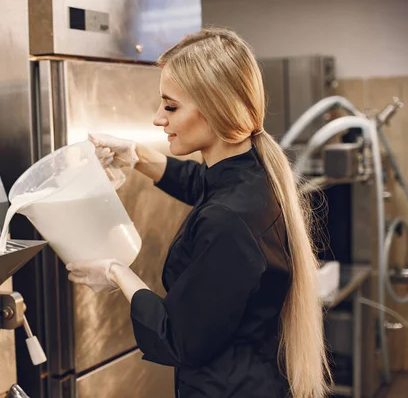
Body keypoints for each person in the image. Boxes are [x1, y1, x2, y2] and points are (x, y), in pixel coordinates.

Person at [66, 28, 330, 398]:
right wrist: (137, 155)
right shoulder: (252, 174)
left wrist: (116, 272)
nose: (158, 118)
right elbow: (202, 185)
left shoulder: (229, 221)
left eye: (170, 106)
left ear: (217, 108)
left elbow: (176, 339)